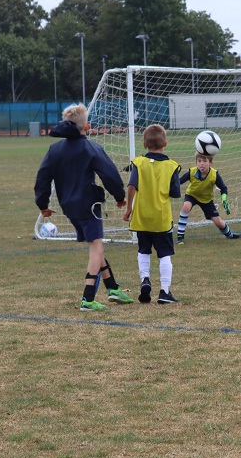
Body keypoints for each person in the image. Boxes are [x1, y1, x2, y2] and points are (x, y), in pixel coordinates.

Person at [34, 103, 134, 311]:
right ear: (86, 127)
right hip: (89, 205)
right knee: (97, 246)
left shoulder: (54, 150)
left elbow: (42, 178)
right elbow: (110, 174)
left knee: (95, 245)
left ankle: (113, 288)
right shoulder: (91, 148)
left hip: (68, 207)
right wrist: (119, 196)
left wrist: (43, 205)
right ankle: (88, 299)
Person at [122, 124, 182, 303]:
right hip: (161, 219)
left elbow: (132, 186)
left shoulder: (138, 163)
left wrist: (129, 208)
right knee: (164, 254)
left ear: (144, 144)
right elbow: (175, 193)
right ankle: (164, 292)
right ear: (166, 143)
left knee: (143, 251)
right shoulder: (172, 167)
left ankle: (145, 280)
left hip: (141, 218)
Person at [176, 152, 241, 244]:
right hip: (192, 195)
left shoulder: (214, 174)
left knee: (219, 222)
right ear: (196, 162)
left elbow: (223, 188)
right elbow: (179, 182)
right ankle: (180, 237)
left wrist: (224, 198)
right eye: (199, 161)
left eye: (204, 161)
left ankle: (230, 235)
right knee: (186, 207)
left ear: (210, 162)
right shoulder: (191, 172)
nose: (201, 164)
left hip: (206, 200)